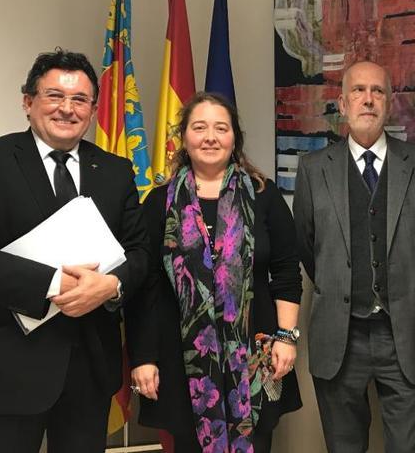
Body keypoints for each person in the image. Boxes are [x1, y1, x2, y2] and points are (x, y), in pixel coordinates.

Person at [0, 48, 149, 453]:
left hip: (90, 368)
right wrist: (54, 283)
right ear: (28, 102)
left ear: (93, 110)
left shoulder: (116, 170)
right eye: (54, 96)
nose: (66, 109)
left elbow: (139, 252)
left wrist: (110, 286)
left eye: (79, 99)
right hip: (6, 369)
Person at [127, 92, 302, 452]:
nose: (210, 137)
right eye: (199, 127)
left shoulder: (263, 195)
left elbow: (286, 271)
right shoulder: (159, 202)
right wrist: (143, 357)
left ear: (234, 137)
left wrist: (287, 337)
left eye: (220, 128)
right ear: (184, 137)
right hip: (179, 358)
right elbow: (146, 288)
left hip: (257, 355)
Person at [293, 61, 415, 453]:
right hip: (338, 337)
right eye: (358, 91)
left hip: (405, 334)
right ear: (342, 104)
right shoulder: (313, 170)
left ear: (389, 103)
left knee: (407, 447)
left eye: (377, 91)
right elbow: (308, 248)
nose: (368, 99)